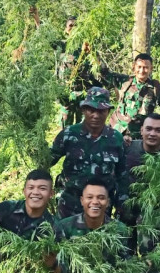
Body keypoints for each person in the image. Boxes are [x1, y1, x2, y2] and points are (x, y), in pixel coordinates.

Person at [50, 87, 129, 219]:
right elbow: (48, 159)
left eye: (101, 111)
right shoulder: (69, 134)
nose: (96, 115)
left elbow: (122, 175)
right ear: (83, 109)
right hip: (70, 203)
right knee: (65, 239)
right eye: (91, 110)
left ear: (108, 111)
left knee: (96, 239)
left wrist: (121, 203)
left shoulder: (116, 138)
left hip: (100, 206)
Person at [124, 113, 160, 253]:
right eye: (149, 129)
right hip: (125, 210)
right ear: (141, 130)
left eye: (158, 130)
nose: (152, 134)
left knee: (150, 257)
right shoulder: (127, 148)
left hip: (153, 215)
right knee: (123, 255)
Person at [109, 53, 160, 142]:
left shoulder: (155, 87)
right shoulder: (124, 81)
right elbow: (104, 73)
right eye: (139, 67)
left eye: (146, 67)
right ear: (134, 67)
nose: (142, 70)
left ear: (151, 69)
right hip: (117, 131)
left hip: (139, 137)